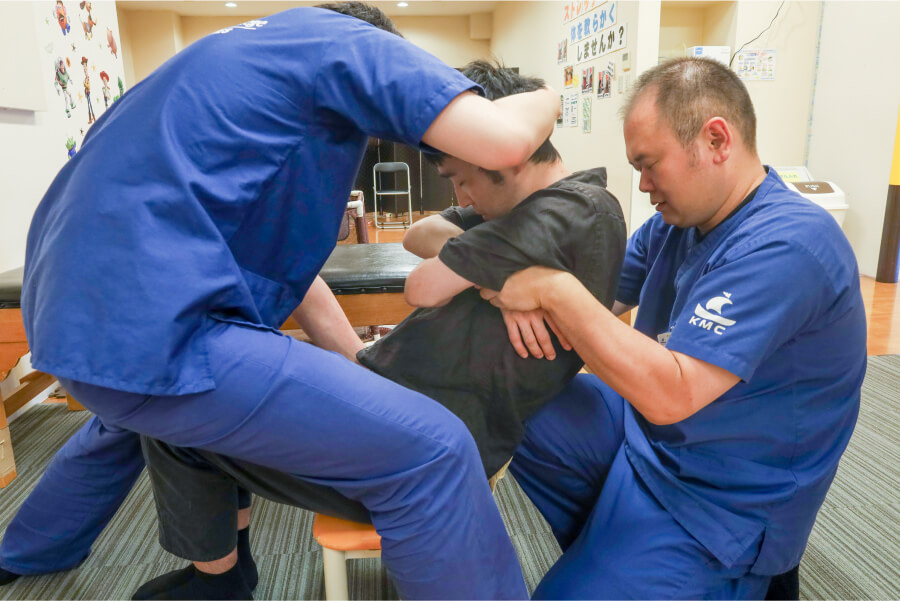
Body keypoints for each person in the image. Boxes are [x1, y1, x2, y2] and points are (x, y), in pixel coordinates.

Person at [3, 4, 560, 600]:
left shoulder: (224, 62)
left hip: (74, 315)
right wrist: (551, 93)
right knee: (434, 451)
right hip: (164, 326)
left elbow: (299, 282)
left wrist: (366, 377)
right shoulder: (345, 42)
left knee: (136, 414)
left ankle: (33, 551)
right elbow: (504, 141)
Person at [132, 60, 625, 598]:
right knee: (208, 387)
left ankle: (220, 583)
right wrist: (500, 276)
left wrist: (491, 273)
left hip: (406, 440)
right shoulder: (515, 214)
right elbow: (420, 235)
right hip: (386, 397)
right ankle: (229, 570)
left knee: (175, 416)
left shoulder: (576, 208)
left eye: (461, 178)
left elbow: (423, 288)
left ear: (505, 156)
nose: (459, 197)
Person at [479, 57, 867, 599]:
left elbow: (670, 392)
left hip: (723, 502)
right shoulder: (675, 225)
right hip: (653, 441)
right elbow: (598, 304)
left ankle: (691, 571)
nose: (644, 185)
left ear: (715, 140)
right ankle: (619, 547)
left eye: (649, 164)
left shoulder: (790, 244)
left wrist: (550, 288)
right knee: (511, 394)